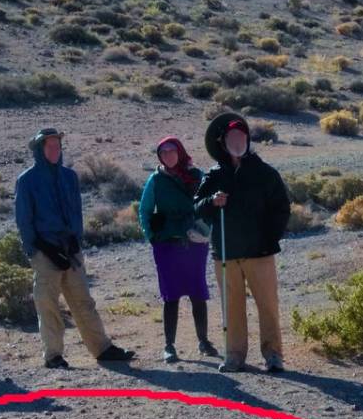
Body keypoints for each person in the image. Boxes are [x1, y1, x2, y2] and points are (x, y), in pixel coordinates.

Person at [14, 126, 135, 370]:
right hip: (44, 250)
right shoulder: (26, 180)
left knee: (83, 301)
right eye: (50, 146)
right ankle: (53, 356)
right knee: (48, 305)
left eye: (58, 146)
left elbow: (77, 212)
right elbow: (23, 220)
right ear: (39, 149)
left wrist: (75, 240)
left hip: (70, 248)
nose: (55, 150)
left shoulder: (69, 176)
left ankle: (102, 349)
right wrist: (37, 250)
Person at [193, 112, 291, 373]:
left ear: (247, 139)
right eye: (232, 137)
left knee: (268, 306)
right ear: (223, 142)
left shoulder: (265, 173)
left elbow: (281, 208)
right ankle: (234, 356)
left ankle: (273, 355)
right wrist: (212, 201)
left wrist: (270, 238)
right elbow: (197, 209)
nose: (238, 140)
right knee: (231, 307)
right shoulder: (213, 176)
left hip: (260, 252)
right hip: (225, 252)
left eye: (242, 136)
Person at [137, 136, 218, 362]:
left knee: (197, 293)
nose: (168, 156)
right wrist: (152, 237)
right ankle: (169, 346)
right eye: (163, 152)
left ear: (180, 152)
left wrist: (205, 230)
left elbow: (208, 204)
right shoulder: (155, 180)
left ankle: (203, 341)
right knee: (170, 296)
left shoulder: (196, 176)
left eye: (172, 151)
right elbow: (144, 211)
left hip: (194, 243)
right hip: (167, 244)